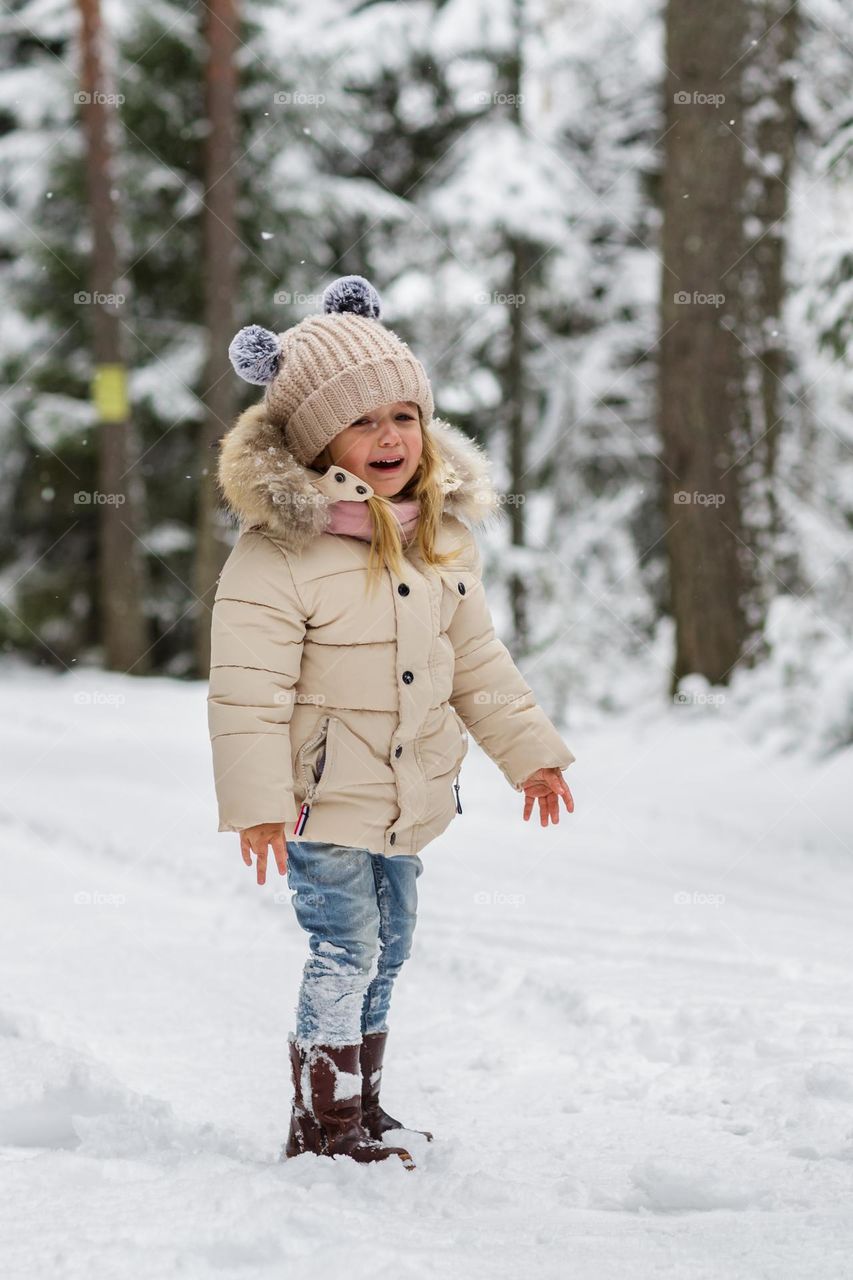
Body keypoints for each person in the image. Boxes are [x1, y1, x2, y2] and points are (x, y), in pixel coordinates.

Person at [208, 275, 576, 1170]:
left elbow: (476, 662)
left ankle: (363, 1107)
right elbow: (247, 689)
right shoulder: (279, 552)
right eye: (363, 420)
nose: (390, 437)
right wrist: (257, 805)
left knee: (391, 946)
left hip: (407, 790)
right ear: (314, 441)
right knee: (346, 947)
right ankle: (323, 1126)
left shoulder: (439, 538)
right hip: (322, 797)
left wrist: (530, 755)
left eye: (404, 415)